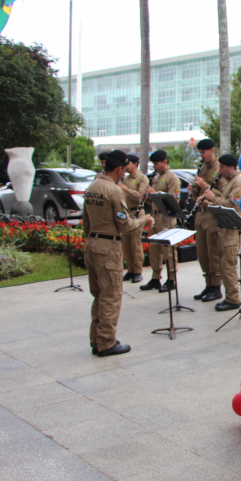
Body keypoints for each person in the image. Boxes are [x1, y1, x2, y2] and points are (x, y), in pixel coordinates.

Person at [83, 150, 153, 357]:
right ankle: (106, 342)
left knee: (99, 295)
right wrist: (144, 220)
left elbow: (85, 221)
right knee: (111, 296)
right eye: (123, 170)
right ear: (119, 169)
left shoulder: (92, 187)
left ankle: (96, 339)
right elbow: (125, 224)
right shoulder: (113, 191)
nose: (124, 173)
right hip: (107, 248)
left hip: (92, 244)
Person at [198, 154, 241, 311]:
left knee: (228, 266)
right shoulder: (230, 182)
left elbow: (232, 205)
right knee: (223, 264)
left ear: (231, 167)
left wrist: (213, 197)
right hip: (224, 227)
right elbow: (223, 202)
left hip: (232, 229)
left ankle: (233, 299)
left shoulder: (238, 182)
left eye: (223, 167)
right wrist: (208, 201)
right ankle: (228, 296)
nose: (220, 170)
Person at [189, 138, 228, 302]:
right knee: (202, 252)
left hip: (212, 215)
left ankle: (216, 287)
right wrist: (193, 190)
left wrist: (205, 185)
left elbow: (223, 194)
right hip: (201, 214)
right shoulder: (202, 167)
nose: (202, 155)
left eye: (203, 152)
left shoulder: (220, 168)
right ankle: (208, 284)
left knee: (213, 252)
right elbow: (198, 194)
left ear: (212, 150)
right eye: (200, 152)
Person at [139, 150, 181, 292]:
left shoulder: (172, 178)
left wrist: (155, 194)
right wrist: (147, 198)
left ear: (164, 162)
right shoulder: (156, 177)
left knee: (169, 250)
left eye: (156, 164)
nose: (155, 167)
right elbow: (154, 199)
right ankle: (155, 277)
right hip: (155, 217)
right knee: (155, 249)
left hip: (166, 218)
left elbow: (174, 200)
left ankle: (171, 279)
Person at [118, 153, 148, 283]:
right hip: (126, 213)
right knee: (126, 243)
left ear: (135, 163)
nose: (126, 166)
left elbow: (140, 196)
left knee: (135, 243)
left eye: (128, 163)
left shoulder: (142, 178)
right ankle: (130, 269)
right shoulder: (125, 178)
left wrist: (126, 189)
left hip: (136, 212)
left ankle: (138, 271)